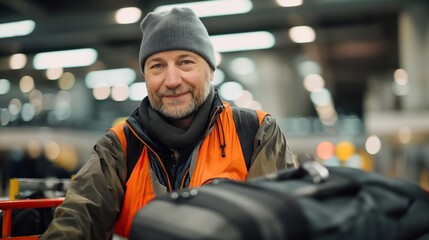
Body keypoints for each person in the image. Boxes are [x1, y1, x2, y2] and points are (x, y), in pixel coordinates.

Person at [41, 7, 297, 239]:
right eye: (157, 66)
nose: (172, 80)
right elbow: (79, 214)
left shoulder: (256, 132)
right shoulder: (119, 145)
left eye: (185, 62)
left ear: (211, 70)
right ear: (146, 76)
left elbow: (280, 221)